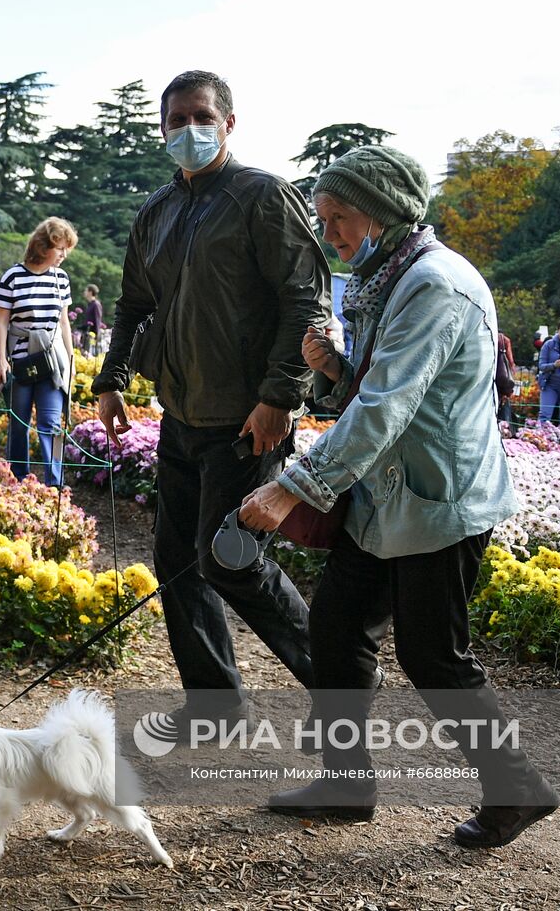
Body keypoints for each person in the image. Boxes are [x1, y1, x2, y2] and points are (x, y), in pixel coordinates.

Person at [239, 145, 556, 849]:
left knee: (434, 655)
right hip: (387, 499)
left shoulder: (434, 284)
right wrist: (333, 369)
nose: (332, 234)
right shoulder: (386, 276)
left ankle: (517, 787)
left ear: (382, 210)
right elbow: (372, 384)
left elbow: (387, 407)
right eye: (324, 219)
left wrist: (290, 490)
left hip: (441, 500)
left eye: (340, 217)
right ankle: (346, 782)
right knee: (336, 626)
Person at [92, 70, 327, 714]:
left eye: (201, 118)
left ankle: (342, 686)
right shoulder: (157, 213)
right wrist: (110, 380)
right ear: (161, 129)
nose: (187, 131)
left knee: (231, 560)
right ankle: (215, 704)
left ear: (228, 123)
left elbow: (304, 299)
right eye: (175, 121)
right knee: (177, 564)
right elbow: (134, 304)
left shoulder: (263, 197)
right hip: (181, 413)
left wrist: (280, 394)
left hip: (248, 417)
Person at [0, 218, 78, 487]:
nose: (64, 255)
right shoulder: (13, 276)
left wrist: (71, 361)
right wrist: (0, 360)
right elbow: (2, 320)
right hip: (20, 360)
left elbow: (64, 322)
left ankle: (55, 482)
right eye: (60, 249)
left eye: (66, 249)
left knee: (51, 423)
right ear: (43, 247)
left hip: (51, 361)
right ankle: (18, 479)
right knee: (18, 423)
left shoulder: (60, 279)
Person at [78, 284, 103, 355]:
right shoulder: (90, 304)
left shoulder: (96, 305)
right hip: (86, 334)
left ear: (90, 292)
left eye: (86, 290)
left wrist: (96, 337)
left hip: (91, 336)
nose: (84, 292)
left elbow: (97, 321)